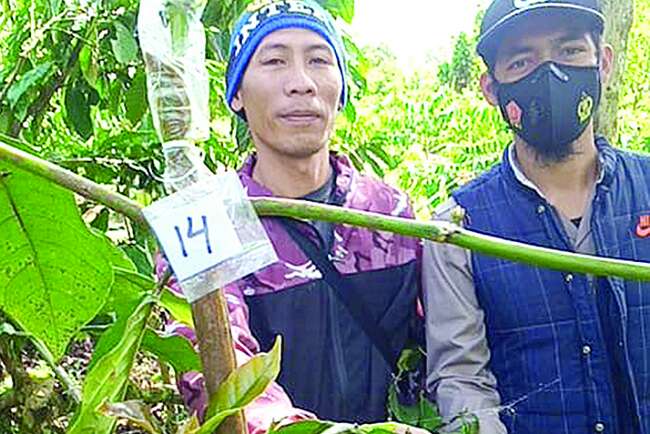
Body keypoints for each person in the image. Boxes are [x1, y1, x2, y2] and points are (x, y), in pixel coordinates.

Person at [156, 1, 424, 432]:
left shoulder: (390, 212)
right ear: (237, 94)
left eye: (319, 60)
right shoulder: (204, 221)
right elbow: (218, 368)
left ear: (341, 89)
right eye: (275, 60)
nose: (301, 83)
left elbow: (440, 345)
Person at [423, 0, 650, 433]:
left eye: (569, 52)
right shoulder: (458, 228)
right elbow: (461, 376)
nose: (550, 75)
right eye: (522, 61)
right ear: (492, 89)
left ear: (602, 63)